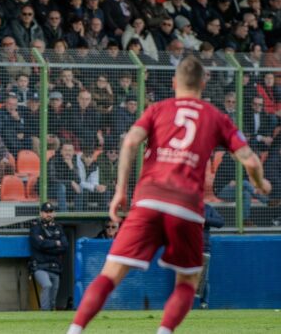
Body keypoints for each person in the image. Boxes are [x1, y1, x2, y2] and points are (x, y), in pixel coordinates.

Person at [67, 57, 271, 334]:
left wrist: (120, 191)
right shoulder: (217, 117)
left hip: (148, 199)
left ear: (174, 82)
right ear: (203, 82)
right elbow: (249, 161)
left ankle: (75, 330)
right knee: (188, 281)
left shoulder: (157, 109)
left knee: (110, 274)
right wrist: (261, 184)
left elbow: (129, 141)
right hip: (186, 206)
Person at [30, 202, 68, 311]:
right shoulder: (36, 228)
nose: (48, 214)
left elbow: (65, 246)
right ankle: (44, 313)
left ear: (54, 213)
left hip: (55, 268)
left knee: (53, 300)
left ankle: (50, 316)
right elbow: (40, 245)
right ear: (41, 213)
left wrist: (47, 244)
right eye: (46, 212)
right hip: (40, 267)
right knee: (47, 285)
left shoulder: (58, 228)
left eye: (51, 212)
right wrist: (56, 243)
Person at [197, 204, 224, 309]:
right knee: (184, 276)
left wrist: (205, 220)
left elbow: (220, 222)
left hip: (203, 247)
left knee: (204, 277)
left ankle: (204, 303)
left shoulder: (207, 208)